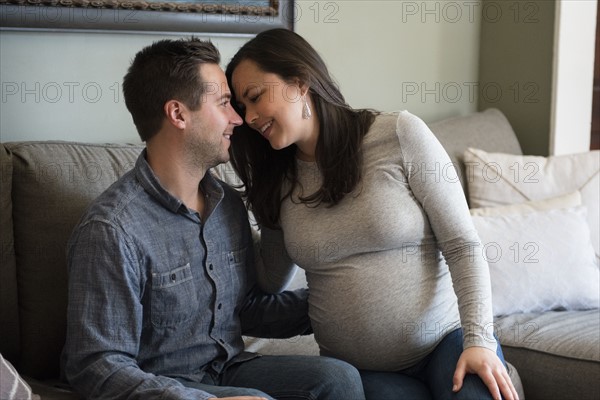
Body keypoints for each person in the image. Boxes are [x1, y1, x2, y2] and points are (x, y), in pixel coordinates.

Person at [61, 37, 366, 400]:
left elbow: (244, 310)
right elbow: (95, 364)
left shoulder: (226, 206)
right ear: (178, 114)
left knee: (338, 379)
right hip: (165, 383)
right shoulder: (112, 231)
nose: (239, 119)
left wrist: (343, 298)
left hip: (228, 368)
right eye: (224, 103)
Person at [225, 28, 520, 400]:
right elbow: (269, 279)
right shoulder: (277, 183)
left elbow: (462, 243)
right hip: (361, 372)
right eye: (242, 108)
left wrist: (478, 340)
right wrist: (215, 220)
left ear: (299, 82)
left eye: (254, 98)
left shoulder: (399, 134)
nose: (249, 116)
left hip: (448, 342)